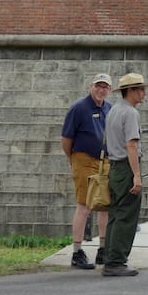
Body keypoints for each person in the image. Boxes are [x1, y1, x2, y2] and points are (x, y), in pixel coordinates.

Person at [60, 72, 112, 270]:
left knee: (105, 204)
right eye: (98, 86)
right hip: (83, 158)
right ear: (91, 86)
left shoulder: (109, 108)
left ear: (109, 89)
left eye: (105, 87)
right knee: (84, 204)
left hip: (103, 159)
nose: (101, 90)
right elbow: (66, 139)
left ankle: (103, 249)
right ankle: (77, 251)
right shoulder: (79, 108)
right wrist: (73, 159)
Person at [102, 72, 148, 277]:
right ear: (130, 91)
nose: (143, 93)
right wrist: (136, 175)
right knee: (126, 215)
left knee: (115, 213)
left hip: (114, 166)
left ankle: (109, 257)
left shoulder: (113, 110)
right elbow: (131, 144)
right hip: (125, 166)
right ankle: (116, 261)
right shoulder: (130, 113)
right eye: (140, 89)